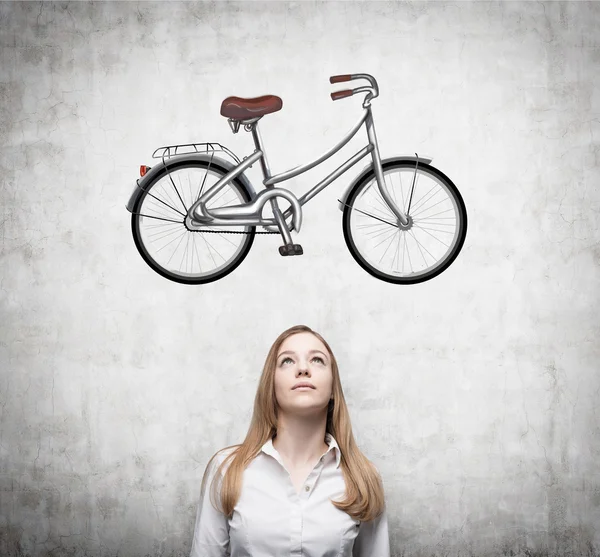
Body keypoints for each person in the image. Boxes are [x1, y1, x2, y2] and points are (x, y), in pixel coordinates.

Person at [189, 324, 390, 557]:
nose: (303, 369)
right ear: (271, 385)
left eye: (317, 360)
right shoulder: (226, 470)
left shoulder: (364, 478)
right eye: (287, 361)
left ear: (334, 387)